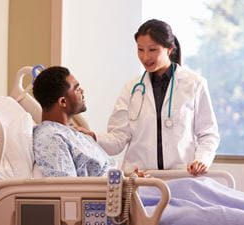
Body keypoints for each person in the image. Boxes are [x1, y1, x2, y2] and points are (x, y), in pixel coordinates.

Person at [78, 19, 220, 176]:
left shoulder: (194, 84)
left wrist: (202, 160)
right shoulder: (131, 89)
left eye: (152, 50)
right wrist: (94, 137)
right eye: (140, 49)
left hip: (182, 176)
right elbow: (118, 139)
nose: (145, 57)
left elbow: (208, 133)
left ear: (169, 49)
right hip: (140, 178)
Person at [32, 66, 115, 177]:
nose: (82, 91)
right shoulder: (52, 138)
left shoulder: (71, 132)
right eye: (77, 89)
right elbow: (67, 188)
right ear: (63, 102)